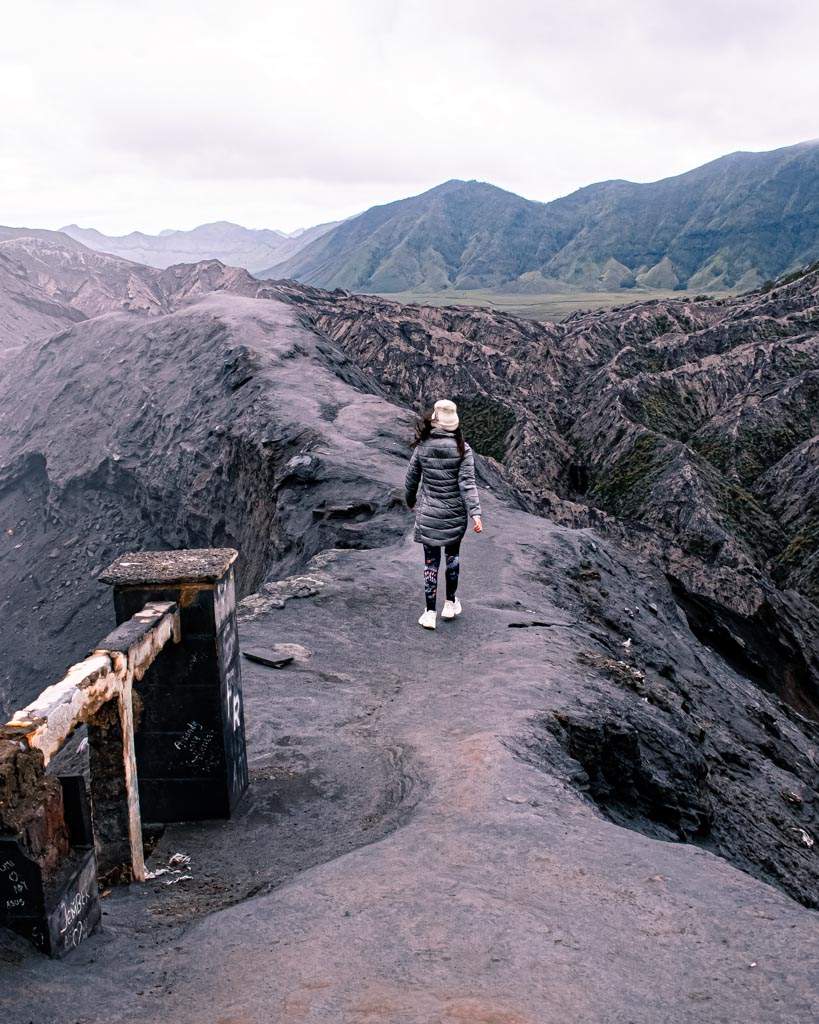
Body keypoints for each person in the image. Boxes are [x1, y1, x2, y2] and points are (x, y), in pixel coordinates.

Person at [405, 399, 483, 629]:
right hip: (454, 515)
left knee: (430, 563)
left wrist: (410, 502)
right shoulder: (462, 448)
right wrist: (476, 514)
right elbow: (467, 484)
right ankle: (450, 603)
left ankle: (430, 612)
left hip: (428, 513)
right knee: (452, 559)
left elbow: (411, 480)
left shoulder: (423, 447)